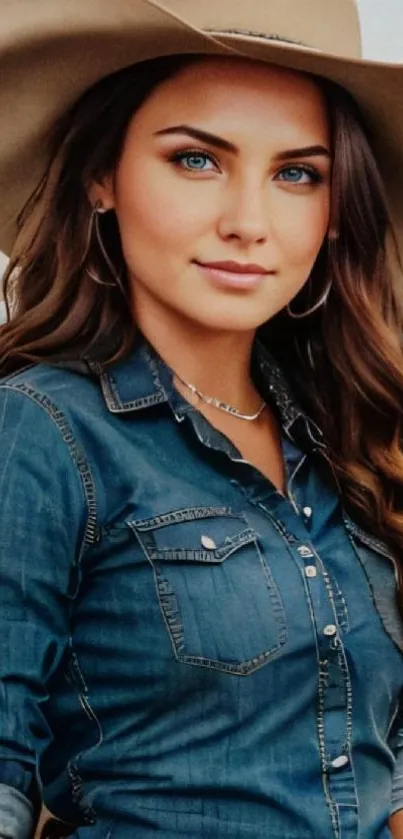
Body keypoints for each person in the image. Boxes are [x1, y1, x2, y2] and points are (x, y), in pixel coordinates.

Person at [1, 1, 403, 837]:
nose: (248, 224)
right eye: (196, 159)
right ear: (100, 175)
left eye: (298, 173)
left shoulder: (346, 435)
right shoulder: (40, 430)